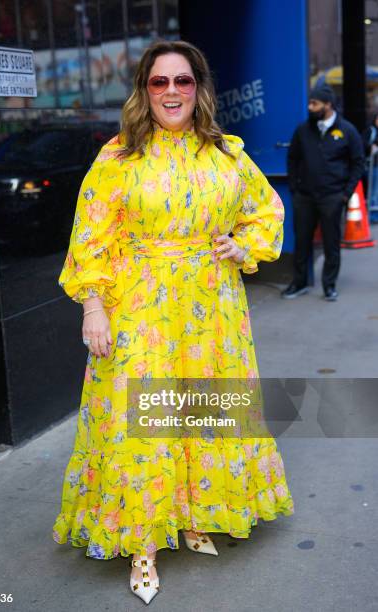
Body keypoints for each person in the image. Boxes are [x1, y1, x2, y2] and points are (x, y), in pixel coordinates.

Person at [52, 40, 294, 605]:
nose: (171, 93)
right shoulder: (118, 159)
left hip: (212, 310)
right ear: (143, 91)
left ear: (199, 89)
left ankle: (191, 514)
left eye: (182, 82)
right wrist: (94, 306)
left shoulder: (226, 154)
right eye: (159, 83)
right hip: (141, 307)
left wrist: (242, 246)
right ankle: (142, 543)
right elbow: (91, 238)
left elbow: (267, 212)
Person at [282, 84, 365, 301]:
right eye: (310, 103)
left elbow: (358, 163)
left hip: (333, 197)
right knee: (301, 242)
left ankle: (329, 286)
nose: (310, 107)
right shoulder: (302, 130)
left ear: (328, 105)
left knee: (331, 243)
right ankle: (299, 283)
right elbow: (292, 158)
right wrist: (295, 188)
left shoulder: (347, 130)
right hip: (305, 197)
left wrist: (345, 194)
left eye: (314, 103)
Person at [362, 112, 378, 223]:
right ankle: (373, 215)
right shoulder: (371, 131)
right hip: (374, 167)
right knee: (374, 191)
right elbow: (362, 145)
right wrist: (370, 147)